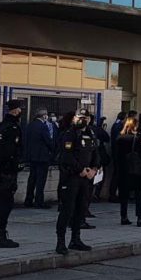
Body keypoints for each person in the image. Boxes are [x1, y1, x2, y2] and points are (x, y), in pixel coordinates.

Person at [55, 109, 99, 255]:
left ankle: (76, 239)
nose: (83, 120)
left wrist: (94, 169)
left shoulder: (90, 134)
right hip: (71, 177)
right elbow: (66, 156)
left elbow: (95, 153)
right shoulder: (70, 134)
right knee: (67, 210)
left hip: (85, 178)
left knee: (81, 209)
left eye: (85, 118)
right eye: (80, 117)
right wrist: (80, 169)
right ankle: (61, 242)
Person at [0, 99, 23, 248]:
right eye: (20, 109)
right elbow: (8, 153)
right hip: (7, 171)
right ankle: (0, 236)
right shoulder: (12, 128)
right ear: (16, 111)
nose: (20, 112)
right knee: (5, 204)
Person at [115, 117, 141, 226]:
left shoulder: (119, 138)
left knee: (124, 195)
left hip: (123, 169)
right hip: (136, 168)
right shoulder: (138, 138)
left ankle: (123, 217)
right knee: (138, 194)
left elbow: (116, 154)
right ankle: (139, 218)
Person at [24, 109, 54, 209]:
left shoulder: (30, 125)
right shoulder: (43, 126)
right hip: (42, 157)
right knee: (40, 180)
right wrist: (53, 150)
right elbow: (48, 140)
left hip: (32, 156)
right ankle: (39, 201)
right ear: (44, 116)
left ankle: (28, 200)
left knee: (32, 179)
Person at [108, 112, 127, 203]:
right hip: (118, 153)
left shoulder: (117, 125)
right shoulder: (118, 126)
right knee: (117, 174)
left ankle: (114, 193)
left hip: (117, 152)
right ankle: (113, 194)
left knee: (118, 174)